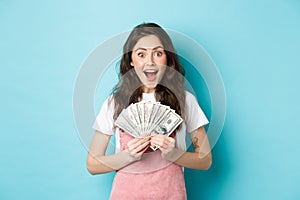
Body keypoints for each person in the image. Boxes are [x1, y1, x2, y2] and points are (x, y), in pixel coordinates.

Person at [86, 22, 212, 200]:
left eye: (158, 53)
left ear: (167, 59)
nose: (150, 61)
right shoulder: (114, 103)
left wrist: (174, 154)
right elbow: (93, 164)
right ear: (131, 61)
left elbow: (205, 160)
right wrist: (127, 157)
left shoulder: (185, 101)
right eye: (141, 54)